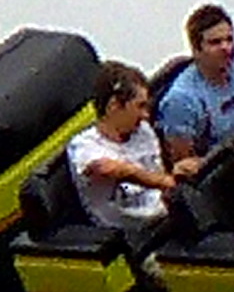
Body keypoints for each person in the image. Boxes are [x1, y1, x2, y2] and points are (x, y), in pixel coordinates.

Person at [67, 60, 177, 230]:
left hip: (166, 215)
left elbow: (159, 168)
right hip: (129, 233)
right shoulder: (85, 146)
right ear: (114, 106)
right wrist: (160, 181)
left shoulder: (143, 130)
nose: (145, 115)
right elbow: (106, 168)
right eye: (140, 106)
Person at [158, 3, 234, 171]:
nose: (226, 48)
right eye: (215, 42)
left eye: (229, 39)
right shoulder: (181, 100)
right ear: (196, 49)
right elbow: (185, 167)